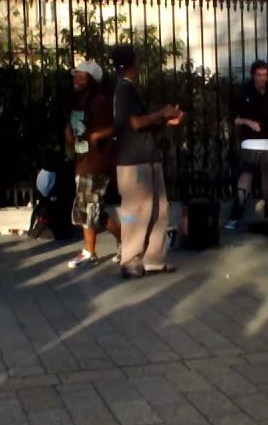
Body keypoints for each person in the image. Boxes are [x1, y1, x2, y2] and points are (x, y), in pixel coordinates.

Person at [112, 43, 183, 279]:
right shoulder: (124, 90)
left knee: (159, 209)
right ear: (133, 64)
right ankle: (130, 259)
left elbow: (141, 123)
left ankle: (154, 258)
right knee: (136, 211)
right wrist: (162, 113)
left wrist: (165, 120)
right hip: (133, 162)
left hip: (147, 157)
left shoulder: (129, 88)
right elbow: (134, 124)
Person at [65, 59, 123, 268]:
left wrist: (99, 135)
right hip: (83, 160)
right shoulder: (78, 101)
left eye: (81, 77)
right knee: (93, 210)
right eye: (75, 76)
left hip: (97, 162)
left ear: (91, 80)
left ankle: (90, 251)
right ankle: (124, 241)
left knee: (88, 208)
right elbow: (73, 126)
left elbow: (117, 126)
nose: (76, 80)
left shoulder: (99, 101)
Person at [226, 60, 268, 229]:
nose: (262, 78)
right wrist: (247, 121)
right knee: (245, 180)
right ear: (253, 75)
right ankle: (234, 216)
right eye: (259, 75)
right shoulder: (244, 93)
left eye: (264, 75)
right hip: (250, 143)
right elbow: (232, 119)